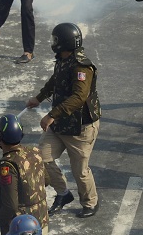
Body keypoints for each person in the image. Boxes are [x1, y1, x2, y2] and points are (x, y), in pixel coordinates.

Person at [26, 23, 101, 218]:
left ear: (65, 43)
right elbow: (55, 80)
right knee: (41, 158)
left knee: (80, 172)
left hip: (80, 128)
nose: (53, 43)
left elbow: (79, 97)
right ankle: (63, 193)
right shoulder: (63, 59)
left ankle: (90, 202)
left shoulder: (81, 66)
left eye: (56, 40)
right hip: (61, 123)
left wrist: (51, 115)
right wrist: (39, 98)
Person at [0, 113, 49, 235]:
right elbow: (46, 180)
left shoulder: (7, 166)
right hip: (41, 221)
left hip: (21, 231)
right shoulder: (34, 152)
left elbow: (10, 206)